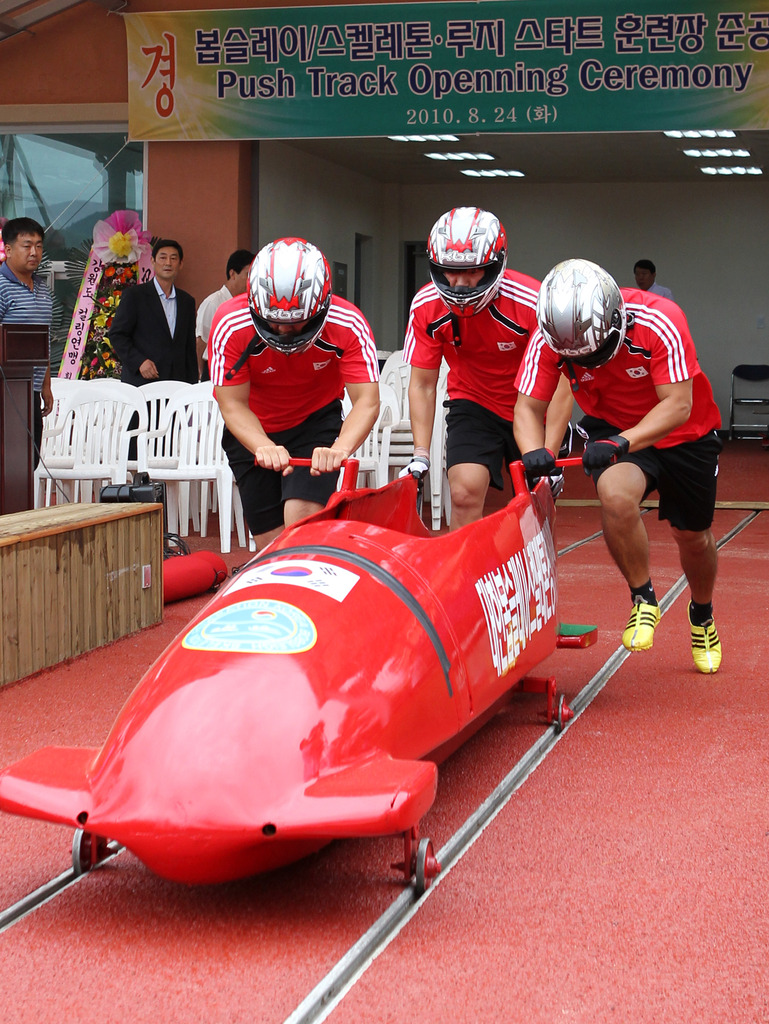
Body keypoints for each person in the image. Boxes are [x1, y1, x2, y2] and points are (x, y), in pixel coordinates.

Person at [514, 258, 722, 673]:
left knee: (692, 538)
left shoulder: (660, 319)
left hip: (685, 433)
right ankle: (643, 598)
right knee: (613, 493)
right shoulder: (550, 337)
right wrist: (532, 450)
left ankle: (702, 616)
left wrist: (622, 441)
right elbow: (526, 407)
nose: (589, 364)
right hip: (617, 428)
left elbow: (678, 405)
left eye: (596, 353)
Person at [403, 206, 573, 529]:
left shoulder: (533, 303)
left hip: (533, 405)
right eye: (450, 271)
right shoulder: (426, 306)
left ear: (495, 265)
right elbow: (423, 383)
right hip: (474, 401)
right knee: (464, 492)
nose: (461, 283)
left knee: (535, 505)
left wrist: (549, 453)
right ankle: (465, 577)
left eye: (473, 272)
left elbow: (564, 381)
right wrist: (420, 453)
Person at [209, 237, 380, 549]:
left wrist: (339, 449)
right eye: (274, 322)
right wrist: (262, 445)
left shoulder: (348, 323)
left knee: (302, 527)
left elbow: (367, 401)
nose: (285, 331)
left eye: (298, 322)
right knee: (272, 545)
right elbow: (231, 404)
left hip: (315, 420)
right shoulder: (230, 322)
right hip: (253, 426)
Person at [0, 216, 53, 468]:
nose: (34, 252)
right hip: (5, 390)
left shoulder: (43, 289)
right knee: (7, 464)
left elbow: (45, 342)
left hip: (30, 391)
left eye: (39, 245)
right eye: (27, 245)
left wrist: (46, 385)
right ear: (8, 249)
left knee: (29, 462)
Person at [109, 238, 198, 386]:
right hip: (143, 383)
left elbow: (189, 348)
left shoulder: (187, 301)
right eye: (163, 257)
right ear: (153, 261)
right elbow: (117, 334)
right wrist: (139, 361)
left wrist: (192, 386)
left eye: (173, 258)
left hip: (177, 384)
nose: (168, 263)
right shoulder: (135, 295)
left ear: (180, 264)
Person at [195, 248, 254, 381]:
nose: (251, 281)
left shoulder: (250, 304)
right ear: (232, 273)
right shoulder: (213, 303)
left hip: (242, 369)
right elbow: (201, 342)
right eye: (248, 275)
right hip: (215, 370)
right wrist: (199, 376)